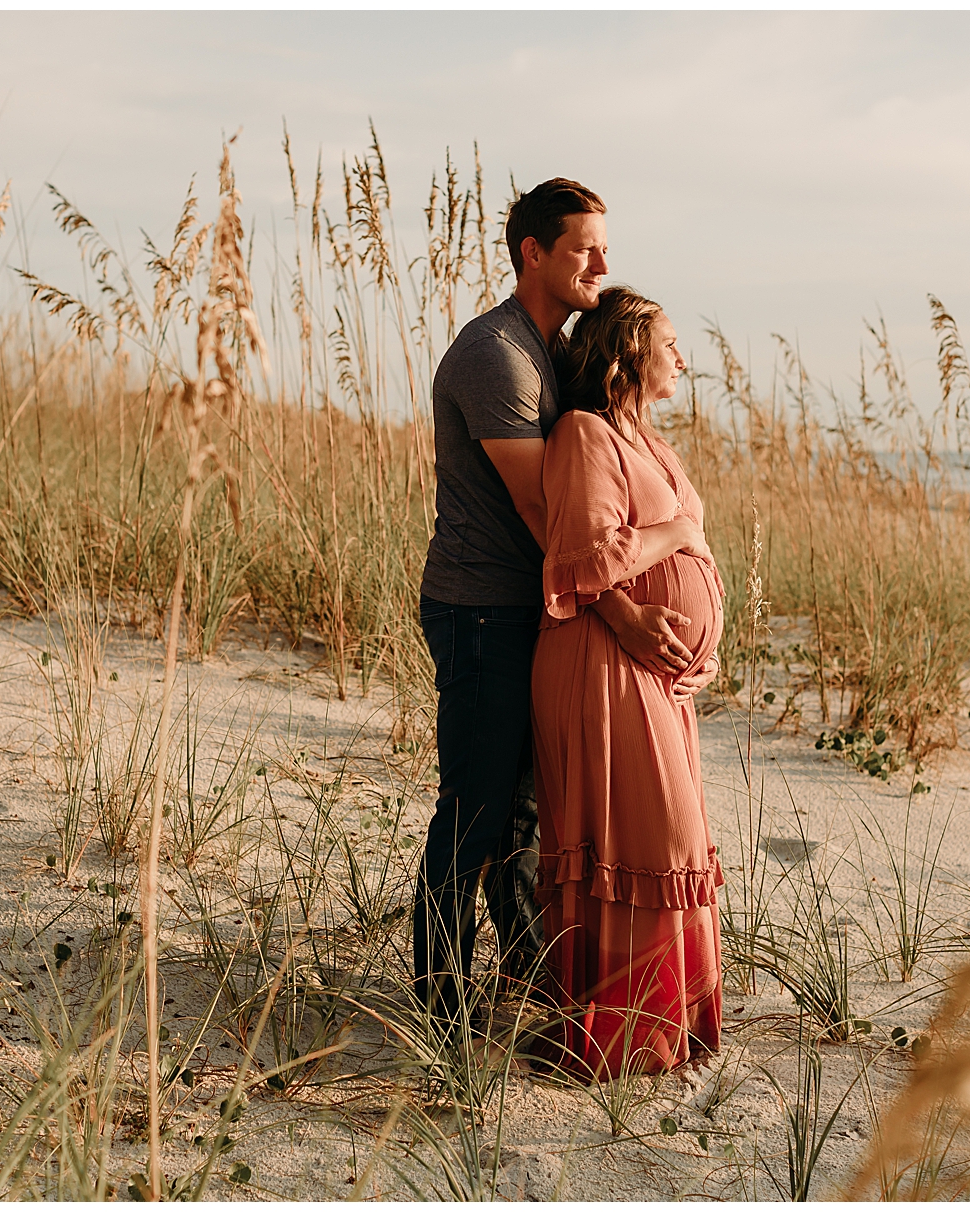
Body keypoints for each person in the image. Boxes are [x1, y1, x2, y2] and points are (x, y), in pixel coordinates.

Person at [415, 180, 714, 1028]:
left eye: (604, 248)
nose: (603, 263)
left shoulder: (552, 354)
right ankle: (440, 1009)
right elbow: (546, 514)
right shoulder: (496, 355)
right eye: (585, 248)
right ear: (532, 253)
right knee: (474, 815)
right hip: (483, 612)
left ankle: (519, 986)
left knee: (524, 819)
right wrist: (624, 613)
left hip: (538, 617)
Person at [530, 285, 725, 1077]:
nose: (683, 357)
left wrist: (701, 650)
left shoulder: (654, 443)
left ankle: (665, 1031)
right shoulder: (583, 433)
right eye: (670, 342)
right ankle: (622, 1032)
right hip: (602, 664)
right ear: (624, 353)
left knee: (668, 837)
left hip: (657, 676)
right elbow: (579, 557)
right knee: (650, 837)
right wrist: (675, 534)